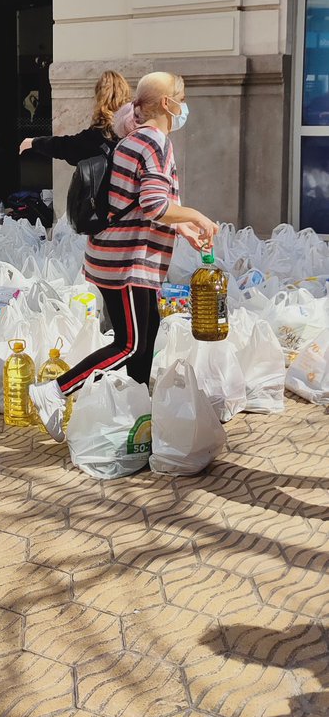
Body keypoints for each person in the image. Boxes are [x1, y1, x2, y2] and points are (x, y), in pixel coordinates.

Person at [29, 71, 219, 440]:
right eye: (181, 97)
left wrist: (184, 228)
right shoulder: (154, 142)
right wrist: (197, 216)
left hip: (122, 258)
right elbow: (154, 205)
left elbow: (139, 203)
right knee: (130, 344)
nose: (184, 105)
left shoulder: (136, 139)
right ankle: (53, 392)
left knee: (147, 333)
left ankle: (138, 410)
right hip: (127, 262)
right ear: (167, 103)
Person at [19, 69, 131, 164]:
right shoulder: (134, 127)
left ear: (99, 97)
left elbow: (68, 146)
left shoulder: (101, 133)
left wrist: (34, 142)